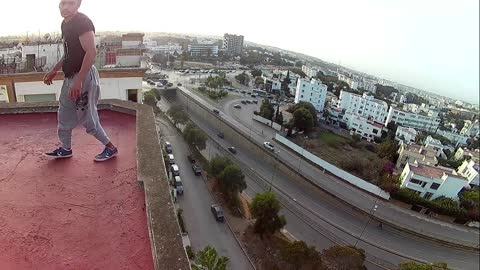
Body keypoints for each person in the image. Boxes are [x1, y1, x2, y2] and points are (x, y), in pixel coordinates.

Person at [44, 0, 118, 162]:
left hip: (83, 77)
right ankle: (65, 148)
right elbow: (69, 53)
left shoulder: (82, 22)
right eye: (62, 3)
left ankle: (110, 148)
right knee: (63, 113)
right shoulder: (65, 24)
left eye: (70, 3)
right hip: (70, 76)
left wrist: (79, 80)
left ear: (78, 4)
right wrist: (55, 69)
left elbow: (91, 52)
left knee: (88, 118)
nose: (65, 7)